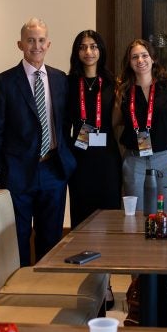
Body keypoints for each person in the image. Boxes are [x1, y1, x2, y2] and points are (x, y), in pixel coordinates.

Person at [0, 18, 76, 266]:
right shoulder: (3, 83)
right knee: (18, 236)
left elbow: (66, 123)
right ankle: (20, 292)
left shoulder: (60, 80)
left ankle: (46, 290)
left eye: (41, 40)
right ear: (20, 44)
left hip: (52, 170)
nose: (36, 45)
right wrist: (0, 170)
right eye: (30, 40)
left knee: (51, 237)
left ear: (49, 44)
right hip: (17, 172)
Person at [65, 29, 121, 227]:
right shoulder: (68, 83)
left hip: (107, 158)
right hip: (79, 158)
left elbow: (116, 120)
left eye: (93, 46)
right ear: (77, 52)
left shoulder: (113, 83)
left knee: (110, 214)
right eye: (83, 47)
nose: (88, 52)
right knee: (81, 215)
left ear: (101, 50)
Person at [117, 39, 167, 200]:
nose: (140, 60)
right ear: (129, 62)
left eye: (144, 55)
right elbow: (114, 121)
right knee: (136, 213)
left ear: (153, 58)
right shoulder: (123, 91)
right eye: (134, 57)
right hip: (135, 160)